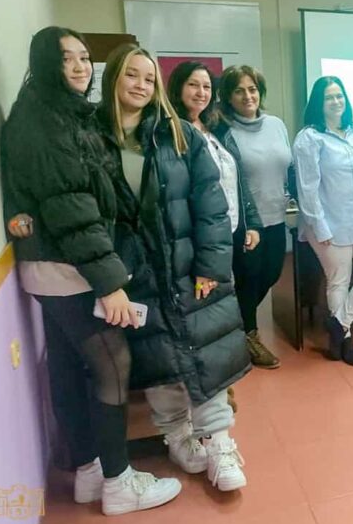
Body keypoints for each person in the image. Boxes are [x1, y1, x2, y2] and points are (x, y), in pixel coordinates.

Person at [0, 27, 181, 515]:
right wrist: (111, 284)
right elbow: (73, 209)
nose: (81, 67)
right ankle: (120, 482)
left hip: (50, 265)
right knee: (112, 363)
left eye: (85, 58)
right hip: (68, 268)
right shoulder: (48, 122)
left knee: (64, 363)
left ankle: (88, 471)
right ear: (45, 63)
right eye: (68, 59)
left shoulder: (49, 111)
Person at [98, 44, 251, 492]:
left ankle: (220, 444)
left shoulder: (179, 133)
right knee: (158, 357)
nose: (141, 85)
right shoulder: (93, 140)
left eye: (149, 78)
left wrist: (211, 266)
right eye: (132, 75)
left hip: (190, 268)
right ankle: (178, 436)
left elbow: (212, 207)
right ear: (113, 81)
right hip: (135, 274)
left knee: (208, 353)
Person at [167, 61, 277, 369]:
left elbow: (238, 178)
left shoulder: (217, 128)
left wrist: (251, 223)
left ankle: (241, 341)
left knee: (243, 284)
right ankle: (212, 362)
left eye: (206, 86)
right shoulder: (170, 129)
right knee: (207, 299)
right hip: (200, 233)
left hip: (232, 227)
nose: (201, 92)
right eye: (193, 85)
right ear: (177, 87)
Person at [293, 76, 353, 367]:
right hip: (328, 221)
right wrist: (319, 227)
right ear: (318, 104)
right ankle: (344, 339)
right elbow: (307, 188)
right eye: (329, 97)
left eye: (339, 96)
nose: (336, 102)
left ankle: (337, 324)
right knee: (339, 281)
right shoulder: (309, 137)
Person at [218, 65, 292, 368]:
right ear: (228, 97)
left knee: (272, 274)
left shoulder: (276, 124)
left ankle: (232, 328)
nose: (247, 96)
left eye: (252, 89)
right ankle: (248, 337)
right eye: (239, 90)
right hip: (248, 225)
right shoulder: (225, 131)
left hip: (277, 216)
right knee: (248, 280)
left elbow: (286, 165)